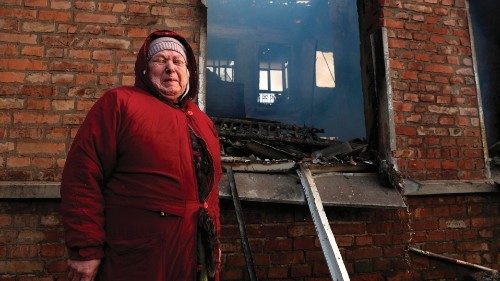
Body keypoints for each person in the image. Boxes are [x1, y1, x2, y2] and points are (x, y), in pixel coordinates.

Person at [60, 30, 222, 281]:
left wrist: (214, 243)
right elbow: (82, 177)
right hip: (139, 259)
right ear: (145, 70)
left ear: (189, 72)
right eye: (160, 60)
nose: (170, 68)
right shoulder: (119, 104)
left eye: (178, 62)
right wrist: (85, 250)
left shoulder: (202, 121)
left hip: (195, 255)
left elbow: (210, 194)